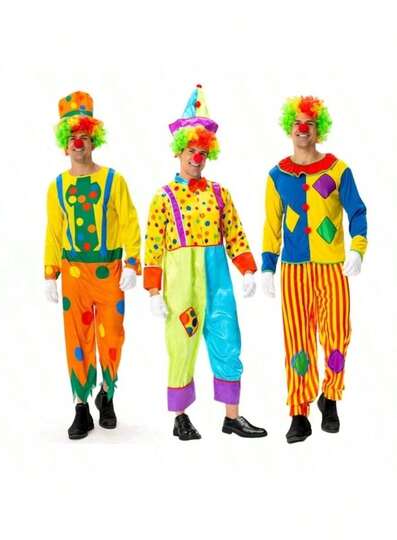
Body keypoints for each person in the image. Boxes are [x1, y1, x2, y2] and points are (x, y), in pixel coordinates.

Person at [144, 85, 267, 440]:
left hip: (217, 278)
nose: (196, 158)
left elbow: (235, 233)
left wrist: (247, 269)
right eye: (191, 151)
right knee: (181, 343)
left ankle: (232, 417)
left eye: (202, 152)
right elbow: (153, 245)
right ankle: (180, 417)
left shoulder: (219, 193)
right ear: (178, 152)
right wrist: (153, 290)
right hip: (181, 281)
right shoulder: (164, 197)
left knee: (228, 338)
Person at [261, 96, 367, 443]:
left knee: (337, 335)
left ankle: (330, 398)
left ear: (318, 129)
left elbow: (357, 212)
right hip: (293, 271)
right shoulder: (277, 176)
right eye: (297, 123)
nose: (303, 129)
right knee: (297, 341)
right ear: (289, 128)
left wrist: (358, 249)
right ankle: (299, 412)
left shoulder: (337, 169)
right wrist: (267, 267)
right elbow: (272, 226)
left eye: (309, 123)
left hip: (332, 268)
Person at [44, 90, 141, 439]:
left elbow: (129, 221)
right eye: (72, 137)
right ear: (64, 144)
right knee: (77, 338)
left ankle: (107, 394)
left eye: (84, 136)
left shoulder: (114, 180)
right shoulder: (57, 187)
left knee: (112, 335)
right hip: (73, 274)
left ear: (93, 140)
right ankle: (81, 406)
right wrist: (50, 273)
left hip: (109, 271)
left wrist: (132, 263)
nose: (78, 143)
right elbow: (54, 231)